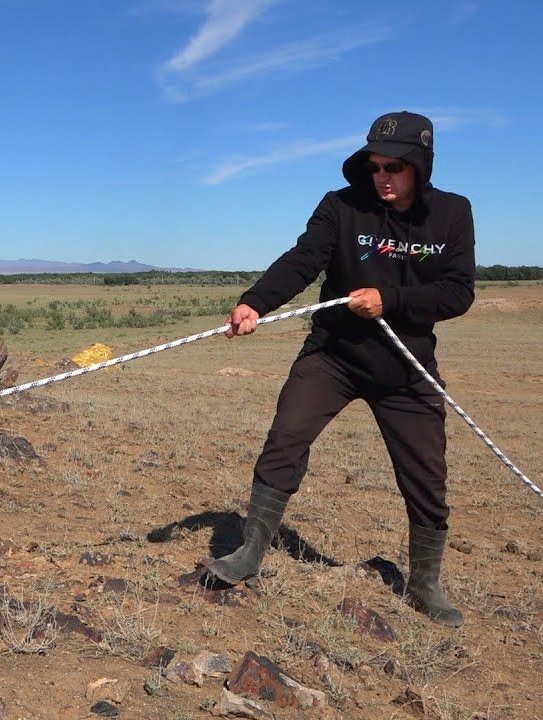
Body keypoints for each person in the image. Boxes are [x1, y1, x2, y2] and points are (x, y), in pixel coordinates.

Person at [206, 111, 475, 627]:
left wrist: (389, 299)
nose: (383, 177)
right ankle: (249, 554)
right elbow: (304, 259)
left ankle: (424, 583)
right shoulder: (341, 206)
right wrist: (255, 303)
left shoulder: (453, 214)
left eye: (396, 166)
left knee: (426, 474)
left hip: (406, 365)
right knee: (286, 436)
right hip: (334, 354)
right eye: (375, 165)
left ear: (421, 166)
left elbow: (458, 292)